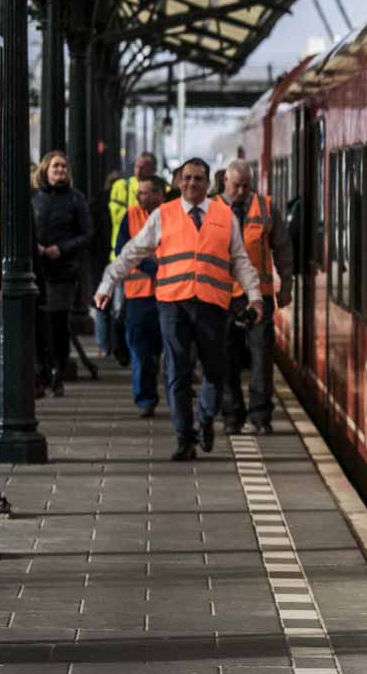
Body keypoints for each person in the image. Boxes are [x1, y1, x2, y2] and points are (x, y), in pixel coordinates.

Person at [96, 157, 262, 460]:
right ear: (178, 181)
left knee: (214, 370)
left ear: (208, 183)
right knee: (177, 370)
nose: (191, 183)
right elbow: (132, 252)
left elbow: (238, 259)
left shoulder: (225, 216)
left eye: (198, 178)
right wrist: (108, 283)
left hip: (212, 304)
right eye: (186, 178)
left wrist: (255, 295)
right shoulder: (164, 215)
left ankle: (206, 419)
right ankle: (184, 437)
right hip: (173, 303)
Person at [217, 159, 293, 434]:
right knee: (227, 360)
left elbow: (283, 248)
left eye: (246, 186)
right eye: (236, 186)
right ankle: (231, 416)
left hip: (257, 298)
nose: (241, 191)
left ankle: (261, 417)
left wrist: (286, 284)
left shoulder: (265, 207)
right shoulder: (211, 209)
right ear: (225, 181)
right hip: (223, 299)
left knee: (261, 358)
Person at [31, 150, 93, 397]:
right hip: (37, 269)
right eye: (56, 167)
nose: (60, 171)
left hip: (63, 270)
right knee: (37, 324)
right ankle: (40, 373)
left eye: (64, 167)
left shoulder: (76, 199)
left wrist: (61, 249)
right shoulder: (33, 198)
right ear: (45, 170)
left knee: (57, 323)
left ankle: (56, 372)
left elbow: (87, 233)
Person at [114, 174, 167, 418]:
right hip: (138, 296)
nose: (139, 197)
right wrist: (152, 266)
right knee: (140, 349)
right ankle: (145, 399)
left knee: (168, 348)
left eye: (145, 192)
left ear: (159, 194)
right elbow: (124, 250)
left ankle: (175, 393)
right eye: (139, 192)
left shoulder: (173, 215)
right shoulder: (132, 215)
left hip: (170, 294)